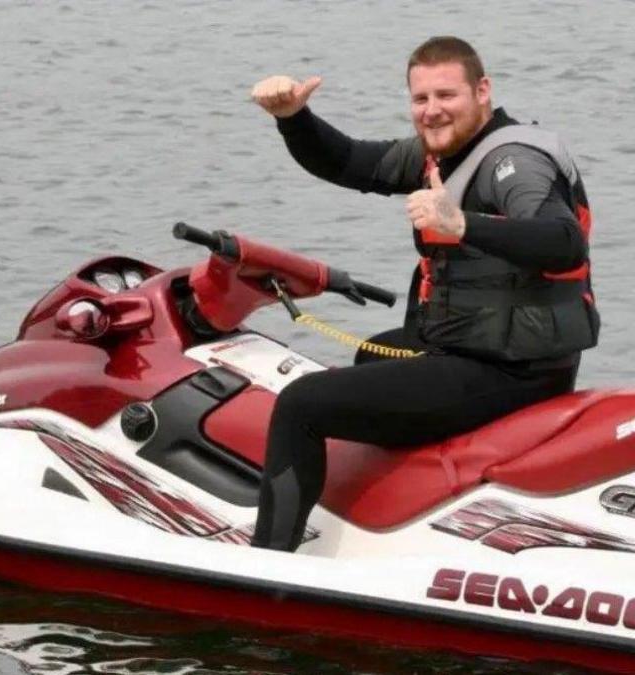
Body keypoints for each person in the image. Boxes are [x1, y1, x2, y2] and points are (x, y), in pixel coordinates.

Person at [247, 36, 599, 551]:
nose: (432, 111)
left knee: (301, 404)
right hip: (474, 347)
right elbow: (347, 162)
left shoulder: (515, 163)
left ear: (483, 91)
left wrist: (463, 224)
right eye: (420, 99)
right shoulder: (442, 152)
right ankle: (416, 519)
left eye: (446, 95)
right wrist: (294, 118)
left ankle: (269, 564)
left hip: (513, 372)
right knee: (370, 356)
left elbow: (564, 242)